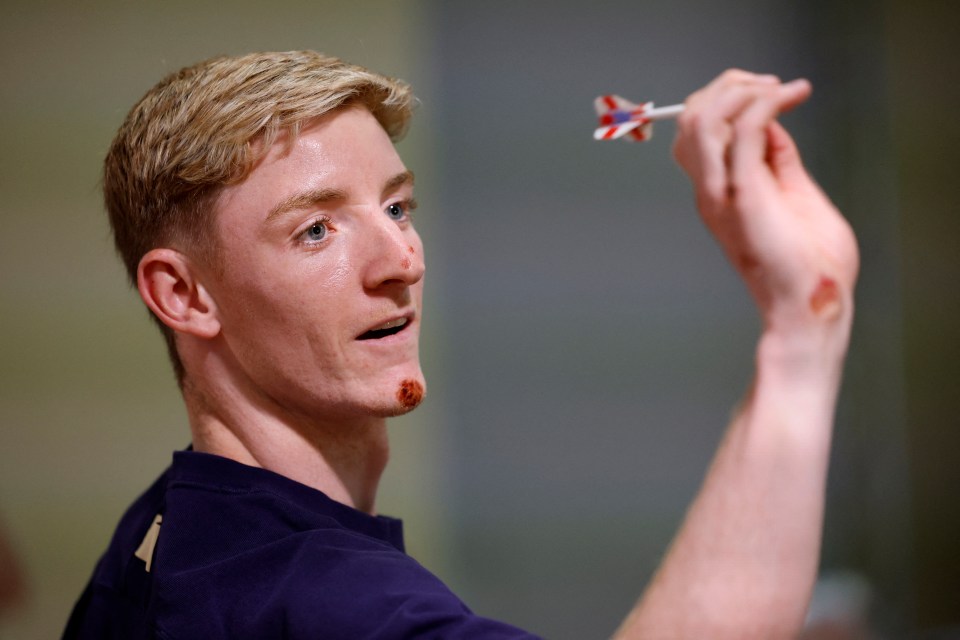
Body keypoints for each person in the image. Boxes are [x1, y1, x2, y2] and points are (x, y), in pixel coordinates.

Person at [63, 51, 858, 638]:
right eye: (316, 229)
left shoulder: (166, 530)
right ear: (183, 295)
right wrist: (802, 329)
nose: (401, 261)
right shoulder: (326, 602)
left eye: (398, 208)